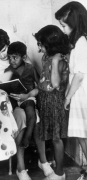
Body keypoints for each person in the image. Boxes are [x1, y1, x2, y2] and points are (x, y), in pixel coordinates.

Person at [0, 28, 31, 180]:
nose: (3, 55)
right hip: (2, 103)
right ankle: (19, 165)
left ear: (7, 43)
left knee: (22, 115)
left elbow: (28, 76)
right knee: (12, 117)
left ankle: (18, 161)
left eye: (4, 50)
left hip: (20, 99)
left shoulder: (16, 53)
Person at [34, 25, 70, 180]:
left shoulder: (60, 60)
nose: (39, 49)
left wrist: (55, 62)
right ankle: (51, 165)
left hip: (55, 102)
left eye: (41, 45)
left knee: (56, 138)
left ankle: (60, 173)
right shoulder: (46, 57)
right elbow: (44, 79)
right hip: (45, 100)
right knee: (47, 134)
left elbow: (55, 84)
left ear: (50, 45)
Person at [55, 2, 87, 180]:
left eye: (64, 26)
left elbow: (80, 76)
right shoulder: (78, 42)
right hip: (79, 93)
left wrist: (67, 98)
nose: (64, 30)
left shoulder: (82, 42)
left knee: (84, 136)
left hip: (82, 94)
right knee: (82, 136)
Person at [6, 41, 39, 149]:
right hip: (13, 99)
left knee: (30, 109)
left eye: (15, 57)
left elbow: (40, 86)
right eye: (9, 57)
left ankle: (28, 137)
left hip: (27, 97)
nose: (11, 61)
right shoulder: (8, 70)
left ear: (24, 57)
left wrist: (28, 95)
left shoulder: (30, 68)